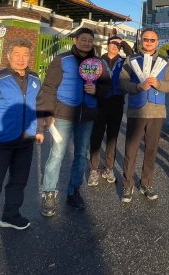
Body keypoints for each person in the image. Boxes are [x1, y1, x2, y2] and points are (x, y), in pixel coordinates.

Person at [0, 38, 44, 249]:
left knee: (18, 182)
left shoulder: (35, 78)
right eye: (17, 54)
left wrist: (39, 130)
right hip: (0, 141)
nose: (21, 59)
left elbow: (38, 106)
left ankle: (11, 216)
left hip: (25, 141)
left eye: (25, 55)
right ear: (8, 56)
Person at [38, 28, 110, 215]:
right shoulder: (62, 59)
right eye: (83, 39)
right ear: (75, 40)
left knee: (81, 155)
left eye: (90, 40)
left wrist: (97, 91)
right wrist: (48, 112)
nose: (87, 43)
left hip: (87, 116)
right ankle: (49, 193)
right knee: (57, 154)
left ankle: (73, 191)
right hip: (63, 114)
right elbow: (48, 87)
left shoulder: (98, 63)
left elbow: (107, 87)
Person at [119, 28, 169, 202]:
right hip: (136, 110)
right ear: (141, 41)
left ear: (157, 42)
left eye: (152, 40)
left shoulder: (165, 61)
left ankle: (146, 183)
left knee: (151, 150)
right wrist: (137, 87)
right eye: (146, 39)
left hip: (157, 111)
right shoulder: (131, 60)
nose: (149, 42)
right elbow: (122, 82)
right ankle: (127, 185)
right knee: (131, 149)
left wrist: (158, 83)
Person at [87, 34, 133, 186]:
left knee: (112, 137)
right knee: (96, 137)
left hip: (117, 102)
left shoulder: (124, 61)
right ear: (107, 44)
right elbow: (89, 79)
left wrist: (124, 43)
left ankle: (108, 168)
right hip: (99, 102)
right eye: (112, 43)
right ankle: (93, 170)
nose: (114, 46)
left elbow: (134, 58)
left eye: (118, 44)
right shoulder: (97, 61)